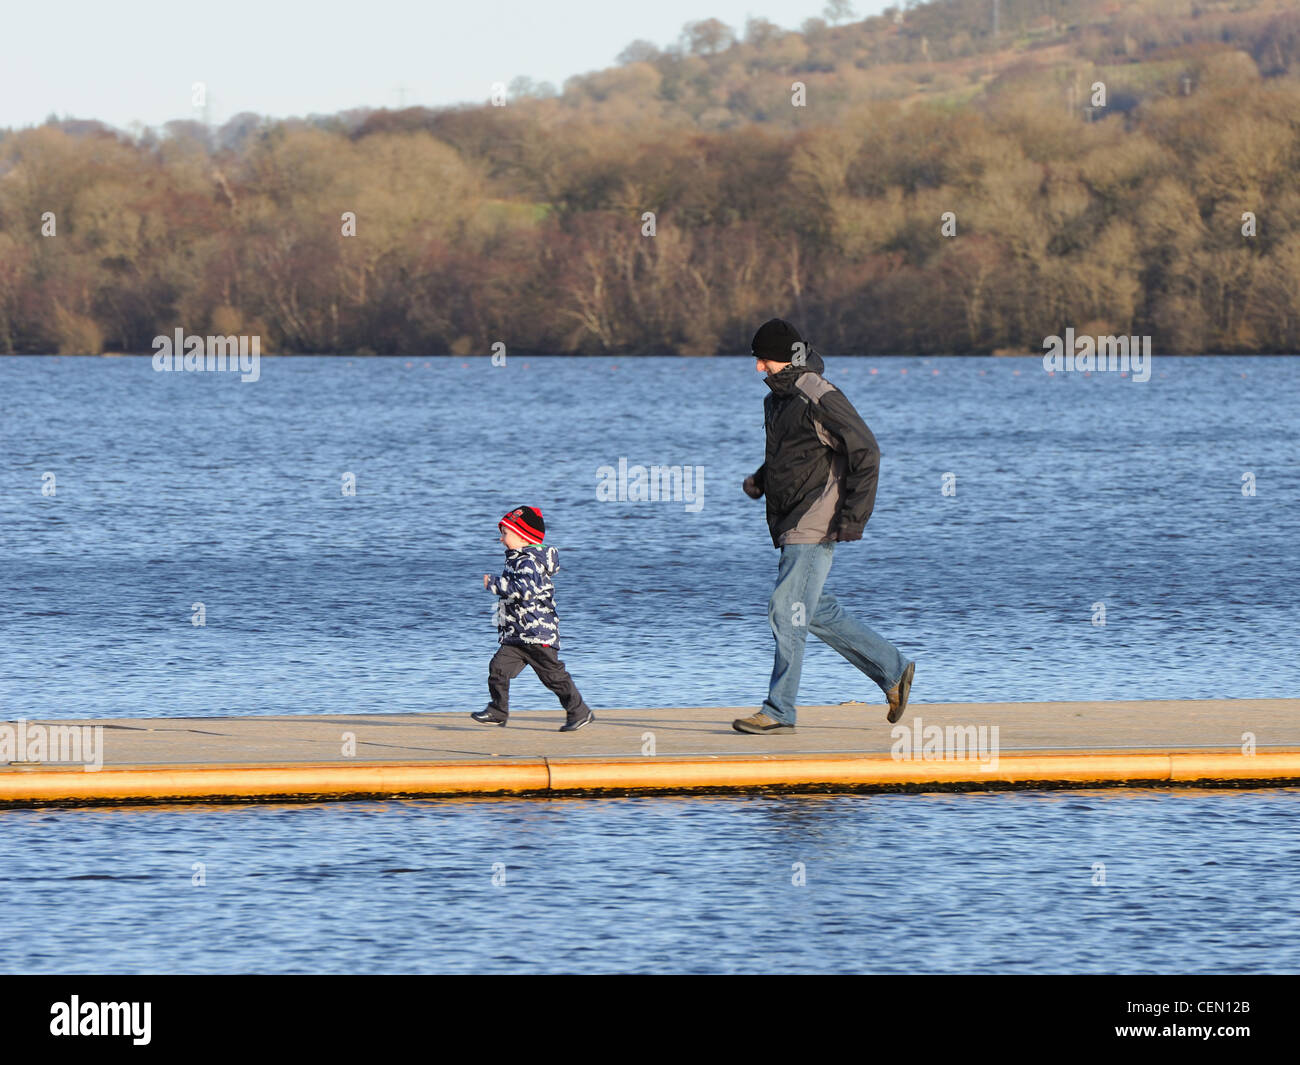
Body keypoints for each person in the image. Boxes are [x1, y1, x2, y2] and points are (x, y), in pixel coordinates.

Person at [734, 318, 915, 735]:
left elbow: (866, 449)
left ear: (785, 357)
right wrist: (762, 479)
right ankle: (894, 670)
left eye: (764, 359)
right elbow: (797, 451)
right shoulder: (778, 399)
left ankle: (779, 710)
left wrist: (853, 517)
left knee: (785, 607)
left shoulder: (818, 393)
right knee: (812, 609)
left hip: (815, 518)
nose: (759, 367)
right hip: (791, 516)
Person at [471, 507, 595, 732]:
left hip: (538, 634)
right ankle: (498, 711)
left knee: (553, 677)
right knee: (498, 668)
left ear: (522, 537)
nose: (501, 538)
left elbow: (525, 590)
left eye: (505, 533)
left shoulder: (529, 562)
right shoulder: (516, 559)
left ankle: (579, 711)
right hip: (518, 635)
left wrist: (495, 584)